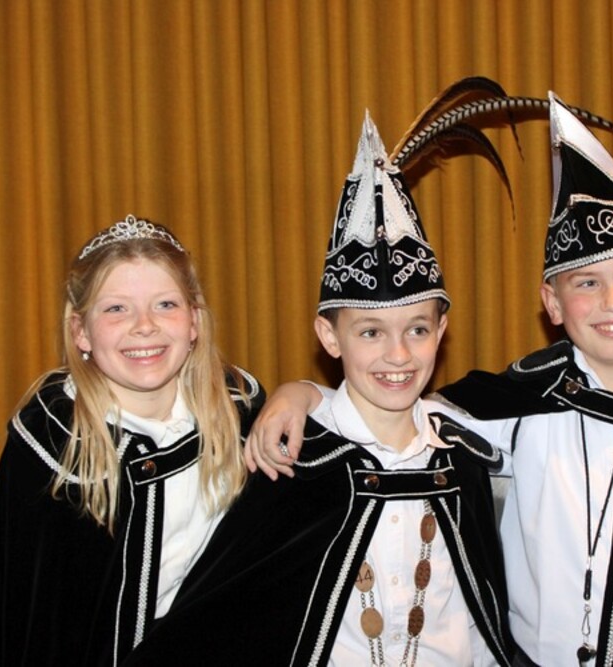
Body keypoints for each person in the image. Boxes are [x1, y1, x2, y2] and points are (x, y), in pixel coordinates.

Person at [246, 93, 613, 666]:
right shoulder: (516, 404)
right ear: (552, 302)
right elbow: (393, 413)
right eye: (586, 283)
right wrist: (303, 394)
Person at [123, 113, 512, 666]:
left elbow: (481, 619)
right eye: (370, 332)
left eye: (417, 330)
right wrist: (301, 393)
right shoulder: (295, 465)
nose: (398, 355)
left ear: (441, 331)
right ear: (330, 336)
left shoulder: (461, 461)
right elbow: (226, 612)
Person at [0, 214, 263, 665]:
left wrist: (304, 394)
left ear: (194, 322)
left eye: (166, 304)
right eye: (116, 309)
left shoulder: (238, 413)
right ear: (81, 332)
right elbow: (23, 614)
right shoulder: (56, 445)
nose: (144, 325)